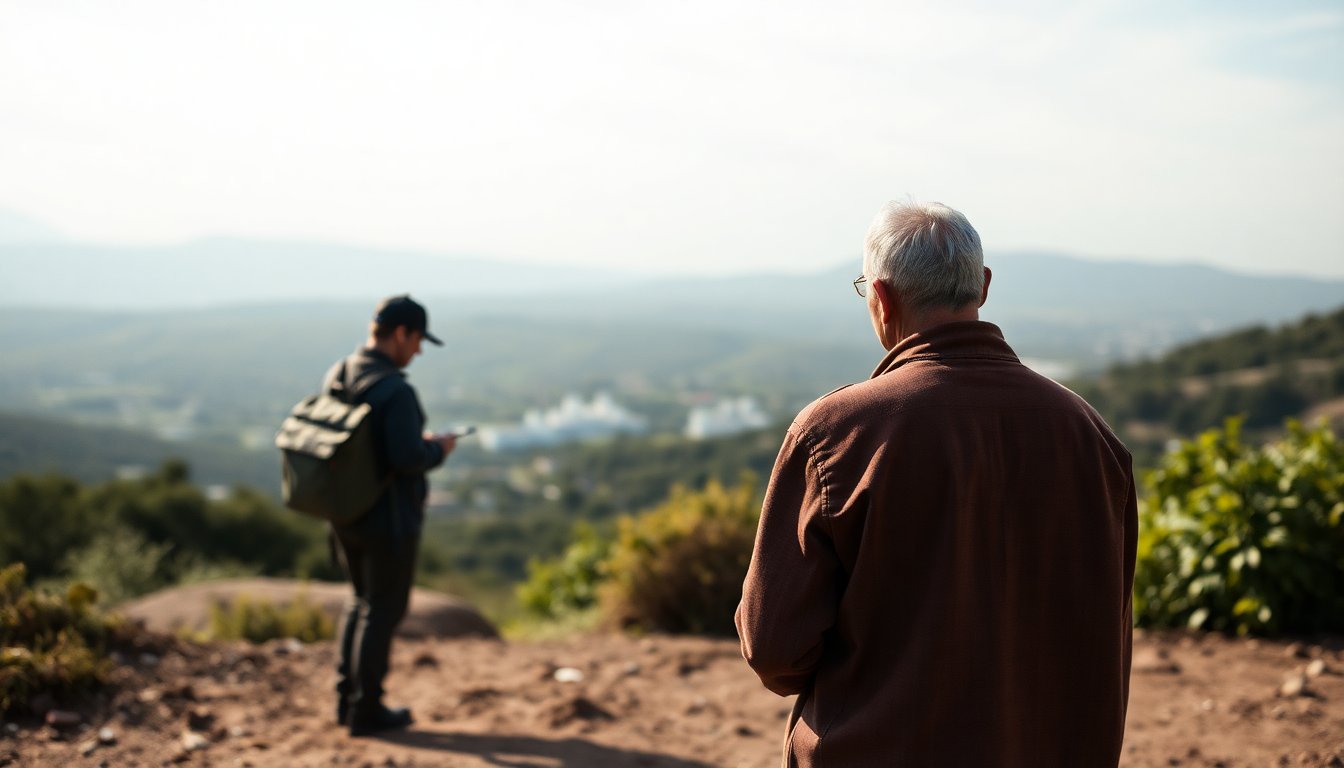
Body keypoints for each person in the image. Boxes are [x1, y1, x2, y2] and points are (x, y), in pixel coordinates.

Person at [735, 201, 1137, 767]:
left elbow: (775, 648)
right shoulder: (1091, 434)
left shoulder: (839, 433)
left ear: (882, 297)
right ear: (984, 286)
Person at [325, 294, 457, 737]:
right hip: (388, 521)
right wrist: (437, 448)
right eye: (417, 340)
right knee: (383, 611)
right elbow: (406, 457)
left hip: (346, 513)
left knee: (360, 602)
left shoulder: (341, 372)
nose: (418, 351)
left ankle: (347, 701)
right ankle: (368, 710)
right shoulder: (397, 391)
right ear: (401, 333)